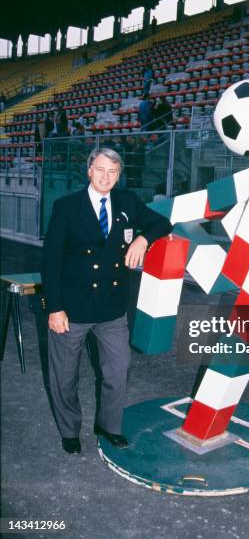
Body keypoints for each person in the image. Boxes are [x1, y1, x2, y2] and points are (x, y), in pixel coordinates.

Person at [42, 147, 172, 455]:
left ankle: (109, 425)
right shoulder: (66, 207)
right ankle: (69, 430)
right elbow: (50, 261)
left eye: (112, 171)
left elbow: (161, 224)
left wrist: (143, 238)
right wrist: (54, 307)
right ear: (89, 171)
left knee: (118, 369)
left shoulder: (127, 202)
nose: (106, 177)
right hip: (71, 308)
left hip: (112, 307)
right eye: (100, 170)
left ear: (118, 174)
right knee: (64, 376)